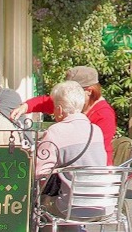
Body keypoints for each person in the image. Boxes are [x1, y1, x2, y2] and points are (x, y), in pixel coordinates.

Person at [11, 66, 116, 165]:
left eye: (73, 91)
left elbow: (99, 153)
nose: (67, 95)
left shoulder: (104, 115)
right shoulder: (75, 102)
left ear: (89, 91)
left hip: (92, 171)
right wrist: (25, 106)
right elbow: (48, 102)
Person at [35, 80, 107, 219]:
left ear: (60, 109)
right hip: (103, 205)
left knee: (40, 202)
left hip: (69, 208)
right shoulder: (96, 130)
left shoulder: (55, 131)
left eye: (54, 107)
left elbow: (41, 175)